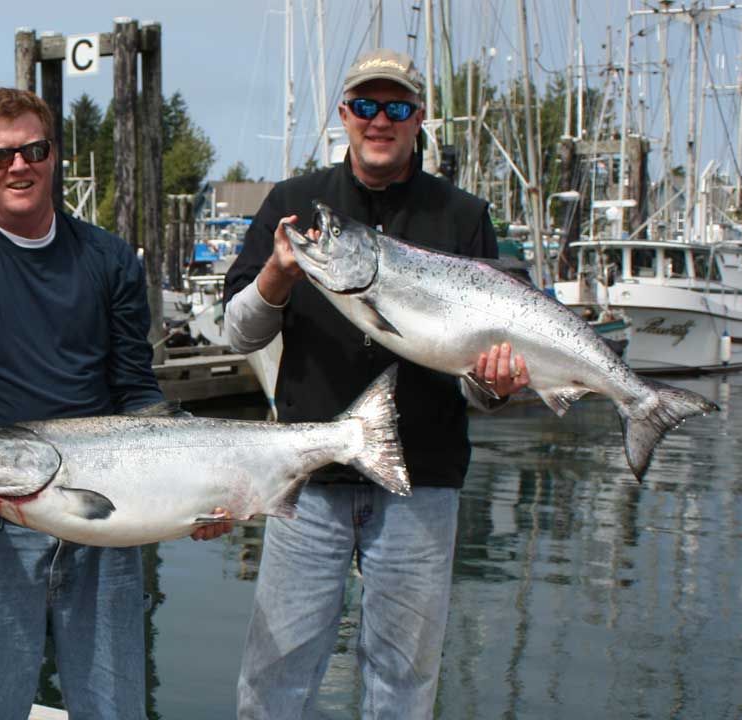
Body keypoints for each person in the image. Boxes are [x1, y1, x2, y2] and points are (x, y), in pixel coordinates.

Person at [0, 87, 226, 720]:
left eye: (33, 150)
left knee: (113, 707)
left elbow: (137, 392)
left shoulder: (110, 260)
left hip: (107, 519)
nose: (18, 166)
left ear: (54, 156)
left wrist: (196, 494)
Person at [222, 49, 531, 720]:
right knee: (272, 677)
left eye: (395, 107)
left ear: (420, 117)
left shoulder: (463, 216)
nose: (379, 120)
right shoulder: (293, 206)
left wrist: (498, 385)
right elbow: (237, 334)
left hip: (423, 480)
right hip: (306, 480)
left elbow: (482, 388)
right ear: (344, 115)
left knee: (404, 681)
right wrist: (277, 273)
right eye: (365, 106)